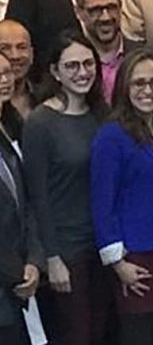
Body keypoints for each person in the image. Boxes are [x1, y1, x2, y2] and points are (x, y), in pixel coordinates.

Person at [22, 30, 111, 345]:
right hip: (66, 250)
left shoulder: (102, 115)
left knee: (102, 334)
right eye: (72, 65)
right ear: (55, 72)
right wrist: (52, 258)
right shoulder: (41, 122)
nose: (83, 72)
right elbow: (37, 196)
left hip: (103, 247)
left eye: (89, 64)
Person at [90, 50, 153, 345]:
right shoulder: (111, 136)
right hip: (135, 258)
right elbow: (102, 201)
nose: (148, 90)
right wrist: (117, 263)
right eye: (138, 83)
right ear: (124, 87)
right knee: (138, 336)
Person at [0, 52, 42, 345]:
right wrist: (15, 271)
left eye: (6, 73)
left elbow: (27, 200)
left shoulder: (11, 126)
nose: (5, 80)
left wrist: (34, 261)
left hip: (20, 274)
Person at [74, 0, 126, 102]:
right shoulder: (69, 61)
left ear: (121, 6)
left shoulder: (142, 54)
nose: (105, 17)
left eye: (111, 7)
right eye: (96, 10)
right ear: (79, 12)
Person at [0, 20, 37, 118]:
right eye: (5, 48)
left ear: (32, 54)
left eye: (22, 47)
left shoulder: (46, 97)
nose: (15, 56)